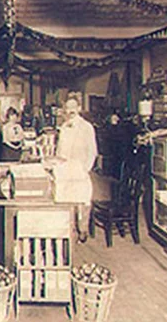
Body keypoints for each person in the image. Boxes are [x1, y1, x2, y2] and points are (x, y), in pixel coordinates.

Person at [55, 95, 98, 243]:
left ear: (79, 108)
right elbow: (60, 150)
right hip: (65, 169)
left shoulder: (87, 127)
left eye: (73, 107)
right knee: (64, 199)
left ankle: (83, 230)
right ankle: (68, 230)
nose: (70, 110)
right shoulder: (64, 126)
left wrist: (85, 169)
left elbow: (93, 152)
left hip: (80, 170)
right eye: (68, 107)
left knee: (83, 201)